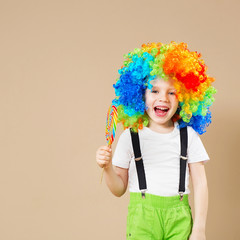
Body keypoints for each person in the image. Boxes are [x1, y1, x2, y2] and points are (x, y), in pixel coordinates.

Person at [96, 42, 216, 240]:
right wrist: (107, 167)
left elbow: (201, 183)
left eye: (172, 92)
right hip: (142, 219)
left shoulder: (189, 136)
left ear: (184, 99)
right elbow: (118, 189)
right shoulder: (130, 136)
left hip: (180, 218)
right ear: (140, 95)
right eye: (155, 91)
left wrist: (199, 229)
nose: (164, 98)